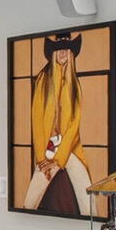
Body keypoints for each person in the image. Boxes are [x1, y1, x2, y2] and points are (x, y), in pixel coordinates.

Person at [23, 31, 91, 215]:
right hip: (47, 146)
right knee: (33, 194)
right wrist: (42, 158)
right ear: (52, 53)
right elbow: (36, 119)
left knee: (85, 188)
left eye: (67, 50)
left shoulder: (74, 84)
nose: (63, 54)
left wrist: (59, 158)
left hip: (69, 148)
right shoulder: (43, 81)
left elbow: (74, 123)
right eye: (59, 50)